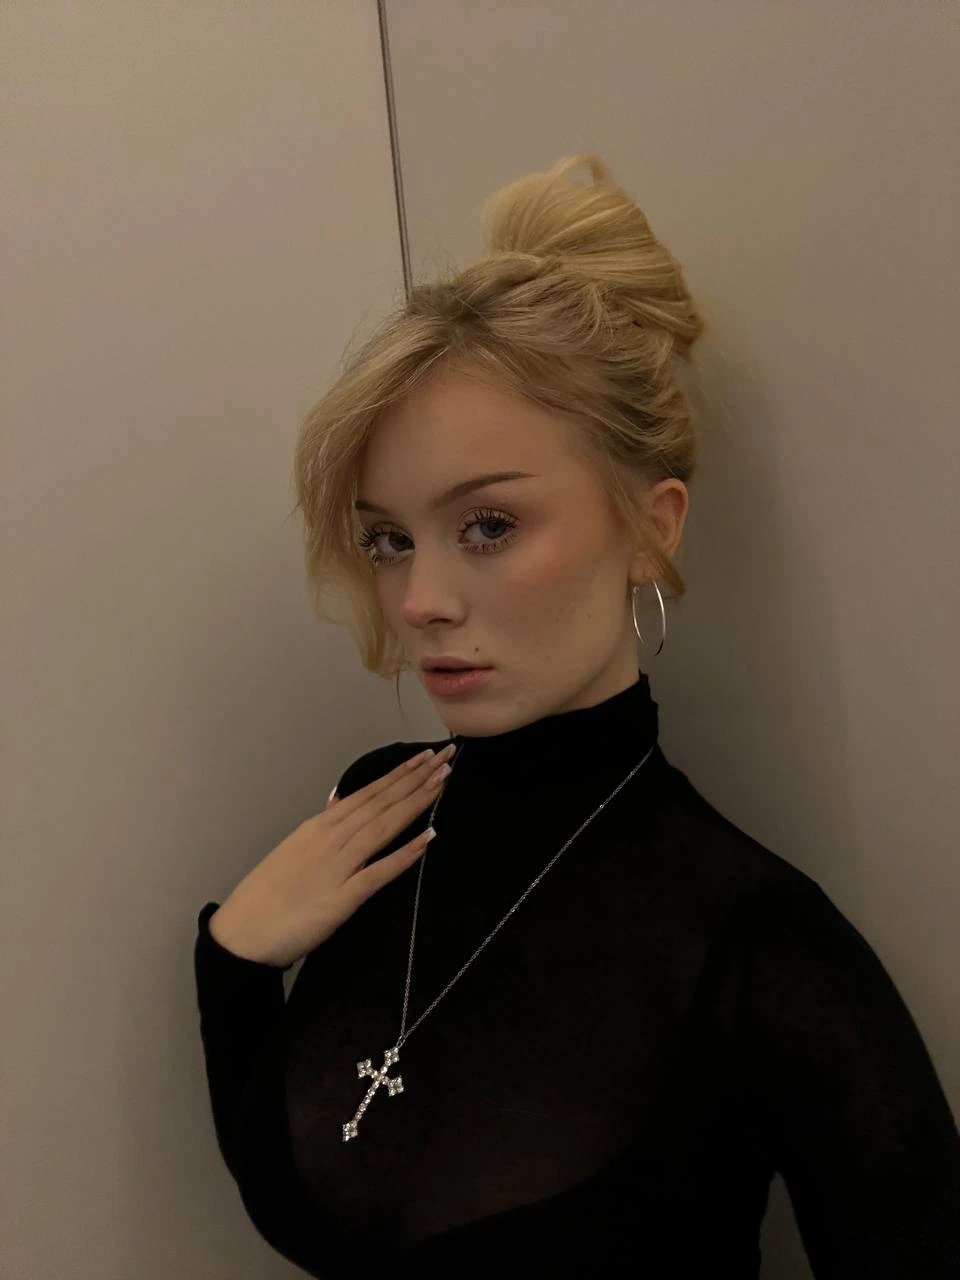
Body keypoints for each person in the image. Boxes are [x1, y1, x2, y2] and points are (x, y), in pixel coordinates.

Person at [193, 154, 960, 1277]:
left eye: (488, 526)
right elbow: (311, 1187)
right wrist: (231, 965)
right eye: (388, 538)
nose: (419, 599)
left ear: (653, 526)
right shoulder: (376, 817)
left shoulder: (757, 948)